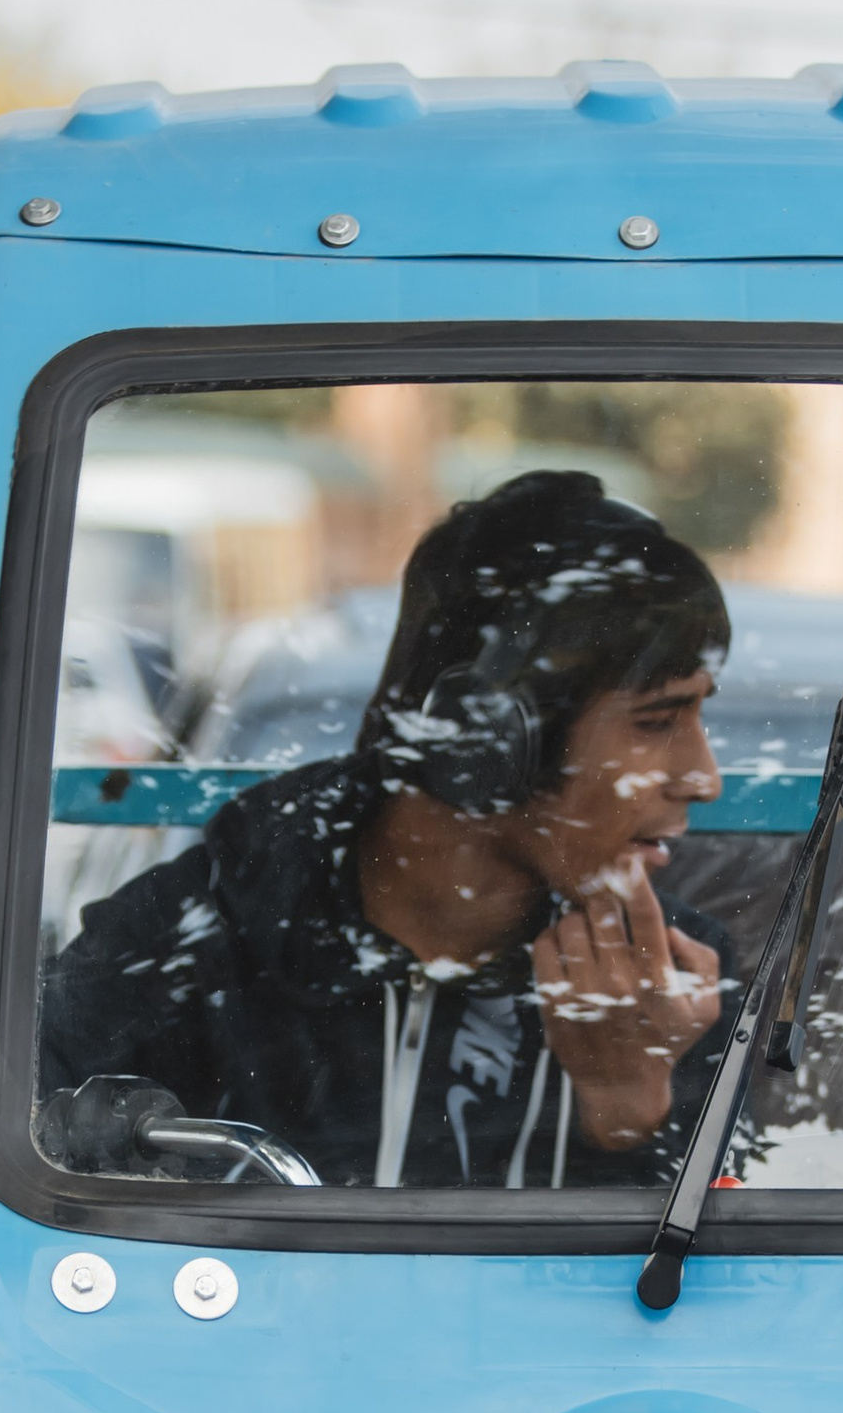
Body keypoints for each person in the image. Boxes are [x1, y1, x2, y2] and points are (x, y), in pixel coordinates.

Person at [39, 471, 733, 1190]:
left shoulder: (677, 994)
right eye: (657, 722)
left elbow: (731, 1283)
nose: (704, 778)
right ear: (487, 736)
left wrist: (629, 1114)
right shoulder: (190, 942)